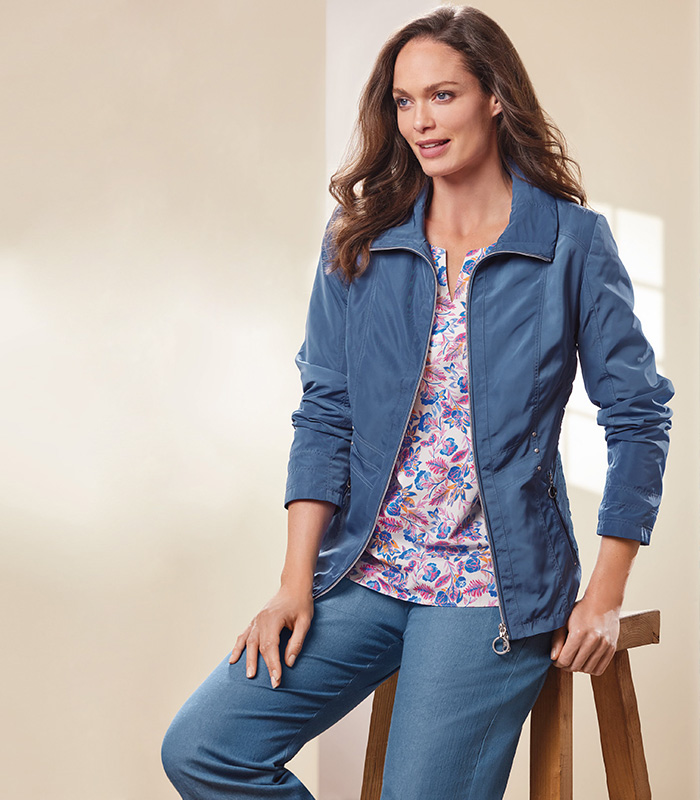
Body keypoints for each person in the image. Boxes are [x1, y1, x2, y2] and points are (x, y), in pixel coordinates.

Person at [161, 6, 674, 799]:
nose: (420, 122)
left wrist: (604, 596)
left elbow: (638, 418)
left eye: (442, 96)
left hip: (490, 591)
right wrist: (295, 583)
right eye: (403, 102)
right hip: (367, 571)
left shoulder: (571, 242)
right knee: (203, 747)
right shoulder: (361, 237)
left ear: (495, 98)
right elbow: (325, 411)